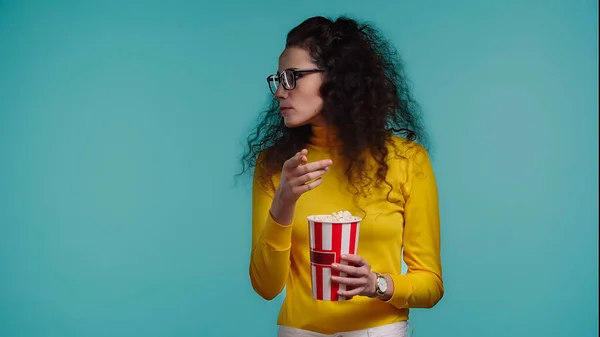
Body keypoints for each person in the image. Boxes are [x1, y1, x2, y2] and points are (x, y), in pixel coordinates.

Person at [240, 15, 444, 337]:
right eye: (278, 79)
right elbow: (266, 286)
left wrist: (376, 283)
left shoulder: (407, 161)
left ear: (338, 79)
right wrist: (283, 201)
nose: (280, 92)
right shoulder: (276, 165)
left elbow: (431, 284)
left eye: (292, 77)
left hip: (379, 331)